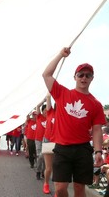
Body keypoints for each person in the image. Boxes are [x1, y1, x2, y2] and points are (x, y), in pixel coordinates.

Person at [42, 47, 106, 197]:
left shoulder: (96, 104)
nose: (84, 78)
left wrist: (98, 151)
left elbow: (97, 129)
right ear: (75, 77)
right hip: (62, 148)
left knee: (79, 188)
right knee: (60, 188)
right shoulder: (62, 93)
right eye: (81, 75)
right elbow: (46, 74)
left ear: (92, 78)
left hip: (83, 150)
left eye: (88, 75)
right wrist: (60, 55)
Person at [42, 93, 56, 194]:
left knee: (57, 168)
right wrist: (48, 94)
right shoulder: (50, 112)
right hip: (48, 141)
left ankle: (57, 190)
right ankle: (46, 183)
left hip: (59, 143)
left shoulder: (64, 116)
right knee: (49, 168)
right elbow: (48, 97)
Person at [35, 99, 47, 180]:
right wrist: (44, 100)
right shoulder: (39, 116)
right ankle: (38, 171)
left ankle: (44, 171)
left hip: (47, 140)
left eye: (47, 110)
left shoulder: (50, 117)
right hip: (38, 139)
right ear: (42, 111)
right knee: (40, 156)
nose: (46, 112)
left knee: (45, 157)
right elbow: (38, 106)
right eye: (45, 111)